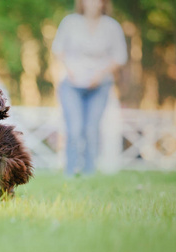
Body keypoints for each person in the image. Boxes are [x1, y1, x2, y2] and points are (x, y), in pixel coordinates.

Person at [51, 0, 127, 177]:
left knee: (91, 129)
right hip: (71, 84)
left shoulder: (112, 26)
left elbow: (120, 57)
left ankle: (89, 173)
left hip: (100, 85)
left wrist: (100, 75)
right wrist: (70, 71)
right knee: (74, 128)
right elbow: (58, 49)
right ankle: (69, 173)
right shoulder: (70, 22)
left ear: (103, 3)